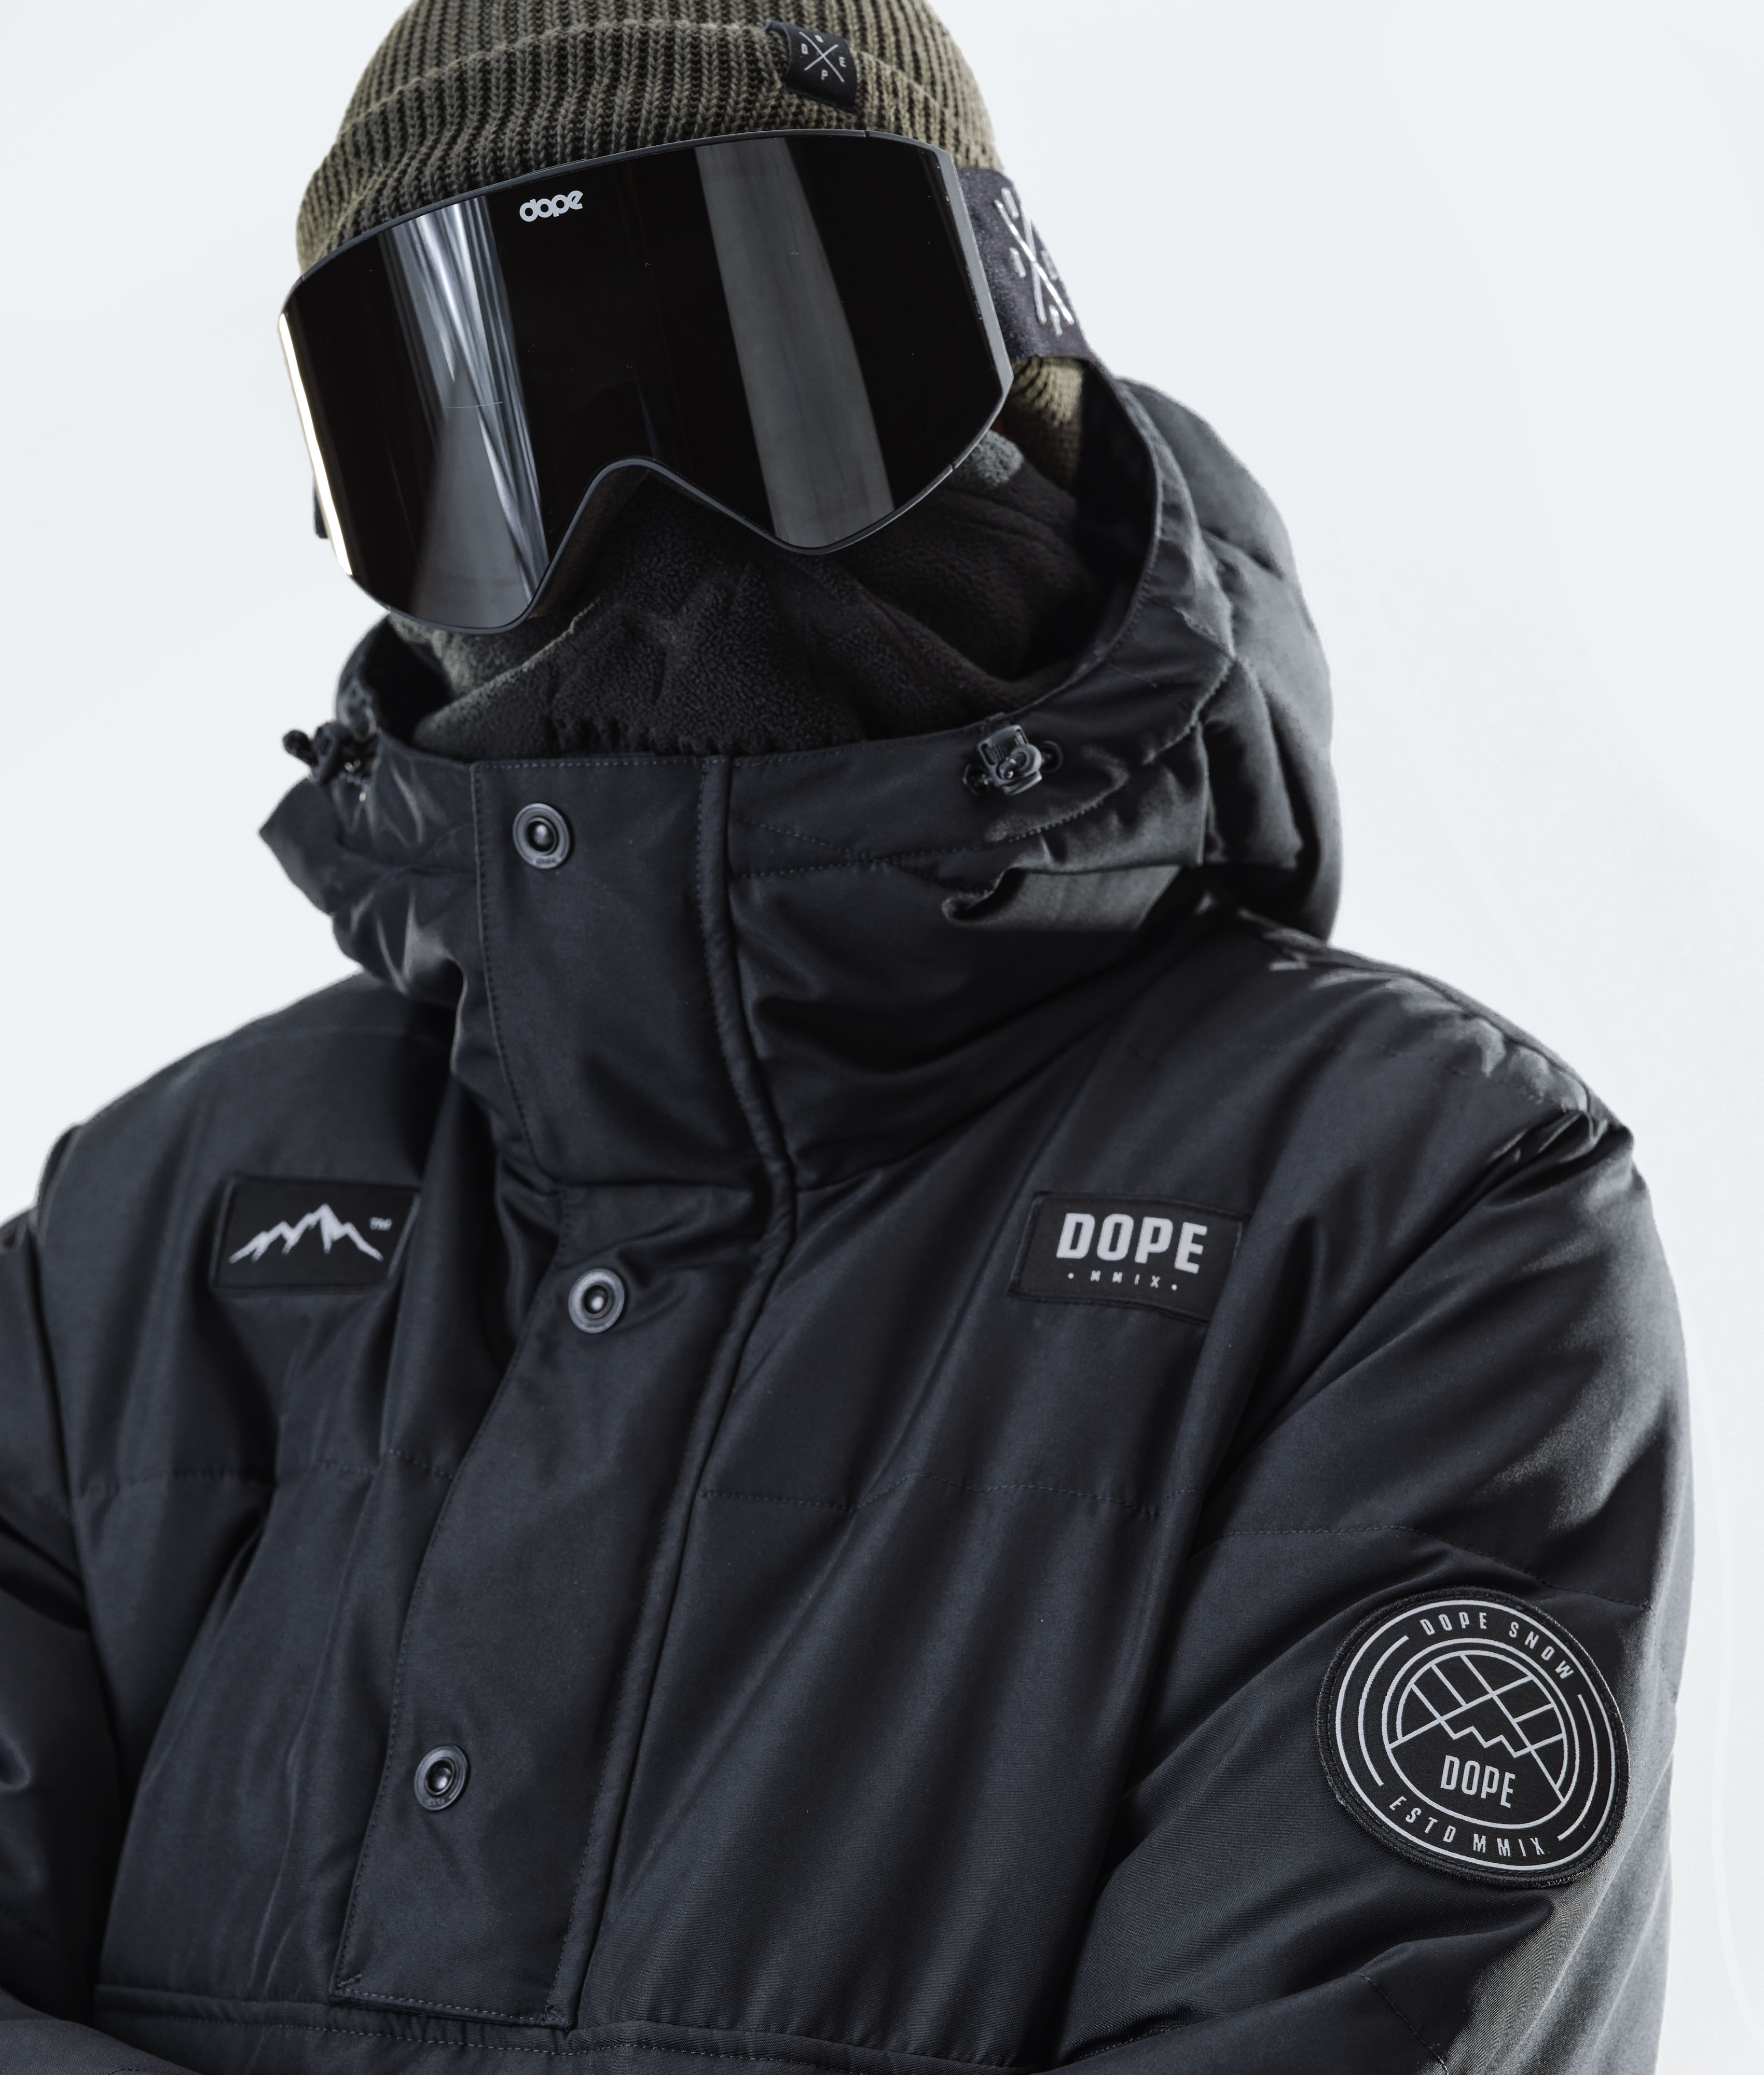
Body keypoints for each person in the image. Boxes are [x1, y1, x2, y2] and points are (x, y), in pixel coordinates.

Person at [0, 4, 1689, 2072]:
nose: (638, 532)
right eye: (495, 434)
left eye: (756, 356)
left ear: (1008, 379)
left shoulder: (1403, 1214)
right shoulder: (154, 1240)